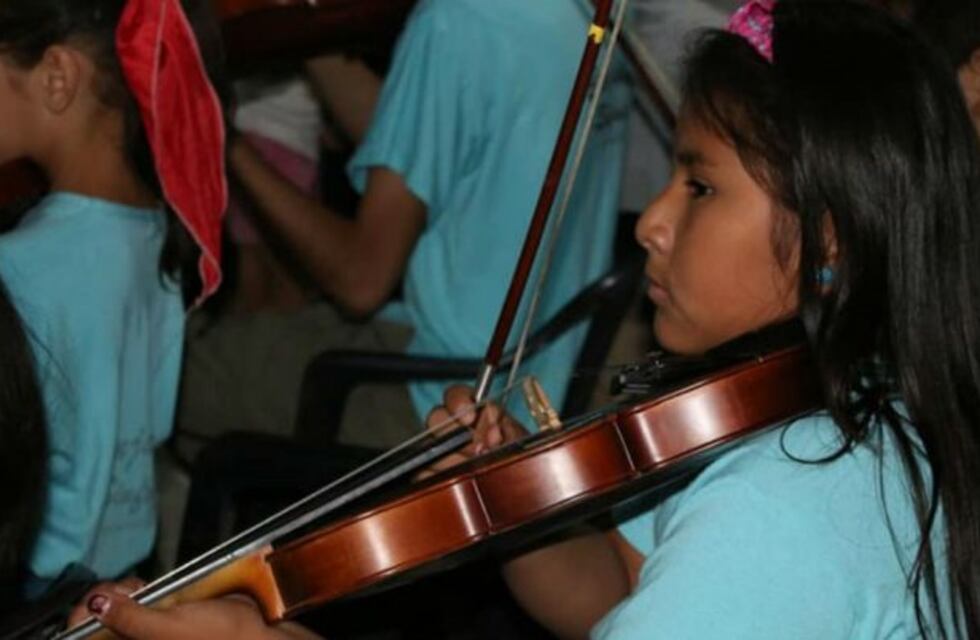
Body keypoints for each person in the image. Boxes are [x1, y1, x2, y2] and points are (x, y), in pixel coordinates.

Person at [70, 0, 980, 637]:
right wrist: (507, 499)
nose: (653, 224)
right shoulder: (828, 406)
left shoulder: (780, 514)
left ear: (829, 241)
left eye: (700, 187)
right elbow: (618, 591)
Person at [176, 0, 631, 451]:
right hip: (544, 377)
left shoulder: (457, 22)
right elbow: (426, 141)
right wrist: (312, 45)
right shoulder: (594, 17)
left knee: (175, 367)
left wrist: (220, 137)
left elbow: (361, 282)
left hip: (448, 401)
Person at [0, 0, 228, 596]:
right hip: (130, 572)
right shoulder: (160, 225)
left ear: (57, 78)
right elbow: (154, 423)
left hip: (34, 587)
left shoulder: (19, 264)